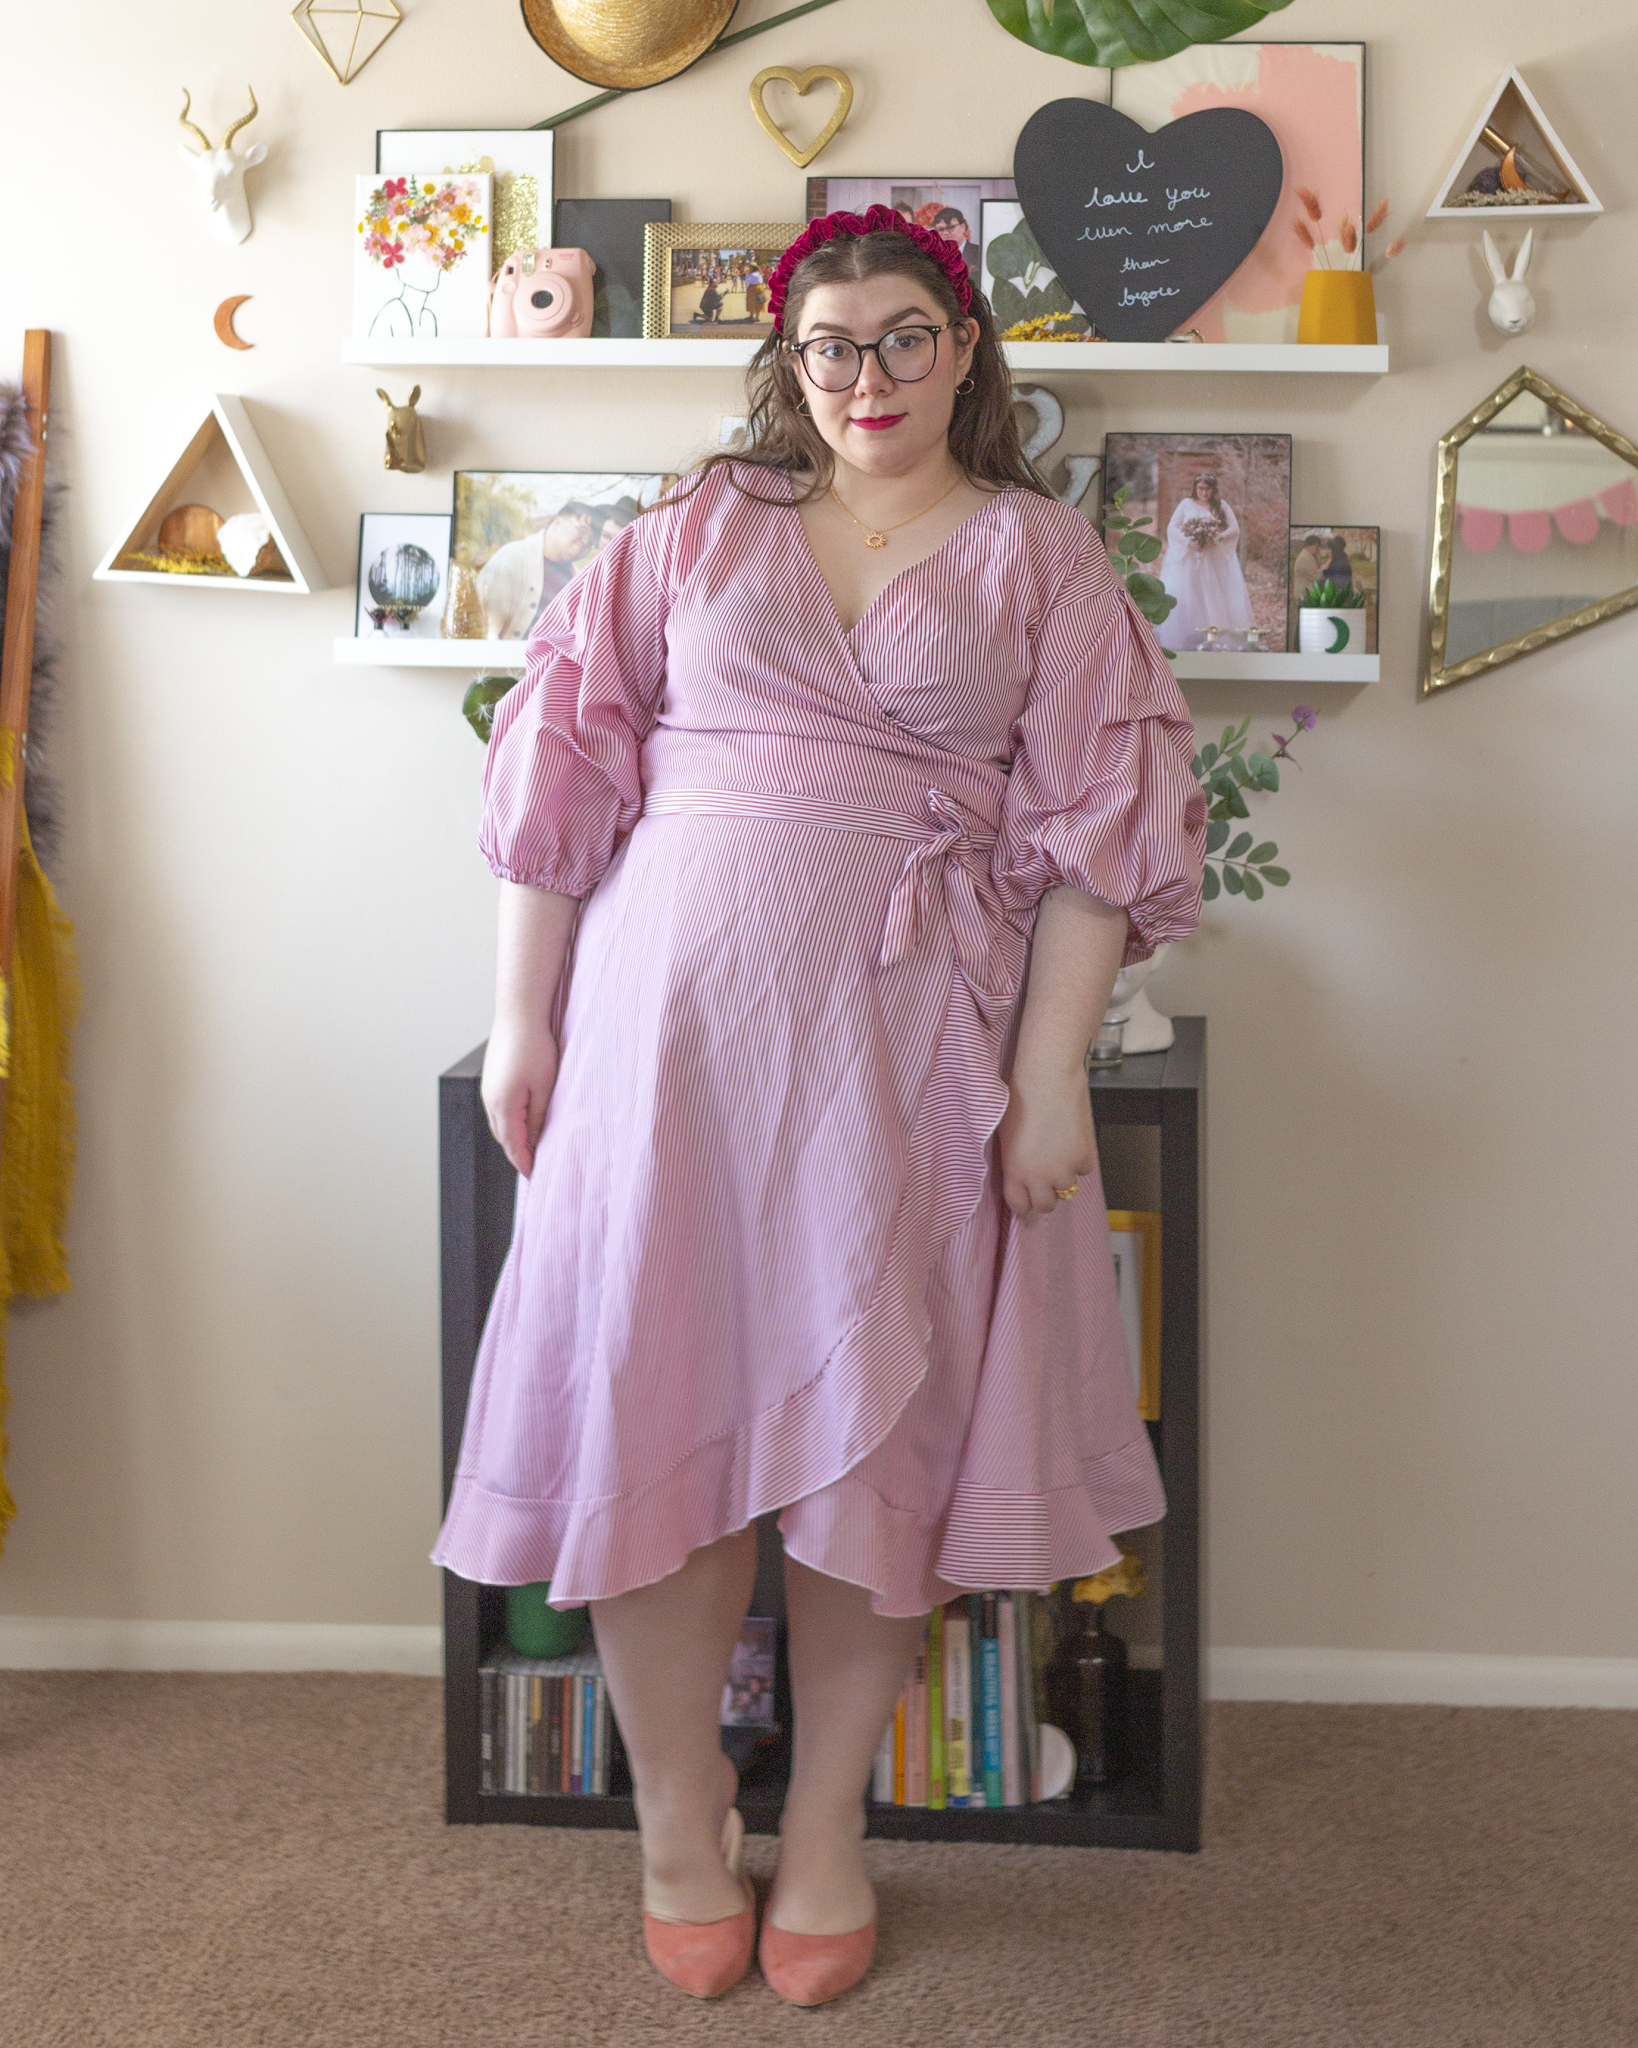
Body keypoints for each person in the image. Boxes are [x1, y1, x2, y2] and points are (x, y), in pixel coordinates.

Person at [436, 203, 1204, 2007]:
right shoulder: (698, 527)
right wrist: (518, 1019)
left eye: (904, 336)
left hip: (907, 1050)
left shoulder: (1040, 558)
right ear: (790, 364)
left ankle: (836, 1824)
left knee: (874, 1441)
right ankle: (682, 1819)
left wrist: (1045, 1085)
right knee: (655, 1415)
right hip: (664, 1045)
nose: (867, 377)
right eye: (830, 345)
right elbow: (565, 750)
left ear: (965, 348)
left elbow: (1101, 845)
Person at [1155, 471, 1254, 650]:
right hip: (1189, 559)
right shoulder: (1186, 504)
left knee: (1213, 596)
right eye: (1201, 488)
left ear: (1213, 489)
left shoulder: (1221, 506)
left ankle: (1215, 638)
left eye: (1208, 489)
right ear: (1195, 488)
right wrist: (1188, 542)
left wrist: (1215, 539)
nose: (1204, 492)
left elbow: (1234, 529)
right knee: (1189, 594)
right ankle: (1187, 637)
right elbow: (1173, 527)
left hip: (1213, 559)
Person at [476, 502, 598, 639]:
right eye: (583, 531)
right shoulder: (512, 558)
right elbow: (485, 629)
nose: (586, 542)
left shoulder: (581, 580)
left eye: (592, 540)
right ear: (557, 523)